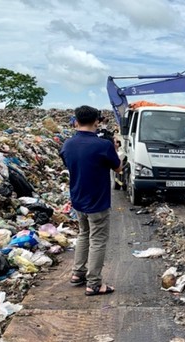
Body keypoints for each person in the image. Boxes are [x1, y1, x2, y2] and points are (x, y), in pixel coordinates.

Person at [60, 105, 122, 296]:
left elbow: (70, 163)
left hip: (78, 199)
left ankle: (78, 274)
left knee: (83, 235)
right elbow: (118, 168)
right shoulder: (103, 145)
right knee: (98, 240)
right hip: (97, 201)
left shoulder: (67, 145)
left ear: (76, 121)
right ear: (97, 121)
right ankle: (94, 284)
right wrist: (115, 149)